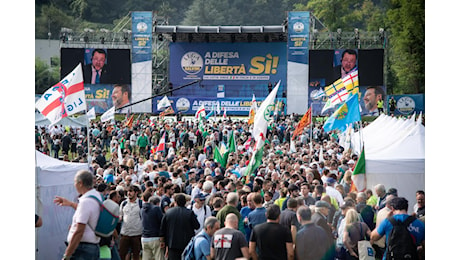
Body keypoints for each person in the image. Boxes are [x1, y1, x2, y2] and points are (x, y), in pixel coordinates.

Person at [54, 169, 101, 260]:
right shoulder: (96, 196)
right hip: (91, 246)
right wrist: (71, 204)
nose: (74, 185)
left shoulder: (85, 201)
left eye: (75, 182)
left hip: (83, 249)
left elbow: (79, 231)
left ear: (80, 183)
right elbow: (88, 212)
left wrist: (67, 255)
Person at [159, 193, 200, 260]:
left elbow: (162, 228)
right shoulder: (190, 213)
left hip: (172, 243)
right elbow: (197, 226)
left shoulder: (168, 212)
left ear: (175, 202)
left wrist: (162, 241)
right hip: (187, 242)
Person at [119, 185, 143, 260]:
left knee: (136, 255)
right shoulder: (124, 203)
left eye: (131, 191)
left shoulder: (141, 204)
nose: (129, 193)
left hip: (137, 233)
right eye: (128, 191)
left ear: (136, 193)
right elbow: (120, 216)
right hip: (125, 233)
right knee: (122, 254)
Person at [141, 194, 165, 260]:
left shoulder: (142, 210)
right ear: (157, 203)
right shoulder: (156, 209)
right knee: (159, 257)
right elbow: (162, 222)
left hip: (144, 238)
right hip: (155, 237)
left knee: (146, 258)